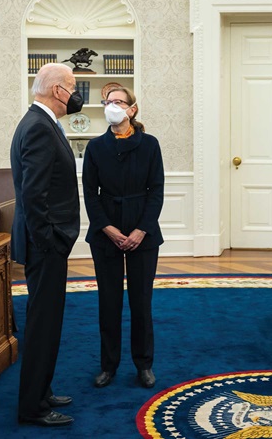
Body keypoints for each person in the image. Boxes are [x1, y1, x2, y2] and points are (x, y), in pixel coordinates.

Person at [10, 62, 83, 427]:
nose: (74, 93)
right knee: (43, 325)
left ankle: (42, 390)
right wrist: (49, 243)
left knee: (48, 322)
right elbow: (33, 194)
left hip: (46, 243)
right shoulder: (39, 127)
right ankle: (33, 407)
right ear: (58, 90)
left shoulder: (39, 122)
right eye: (72, 86)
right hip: (46, 245)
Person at [82, 86, 164, 389]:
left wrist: (141, 229)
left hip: (144, 231)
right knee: (109, 301)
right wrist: (108, 228)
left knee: (142, 301)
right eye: (107, 102)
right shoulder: (95, 147)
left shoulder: (150, 145)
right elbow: (90, 194)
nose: (111, 106)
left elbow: (156, 191)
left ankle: (144, 364)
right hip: (106, 232)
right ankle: (108, 365)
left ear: (132, 109)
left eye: (118, 102)